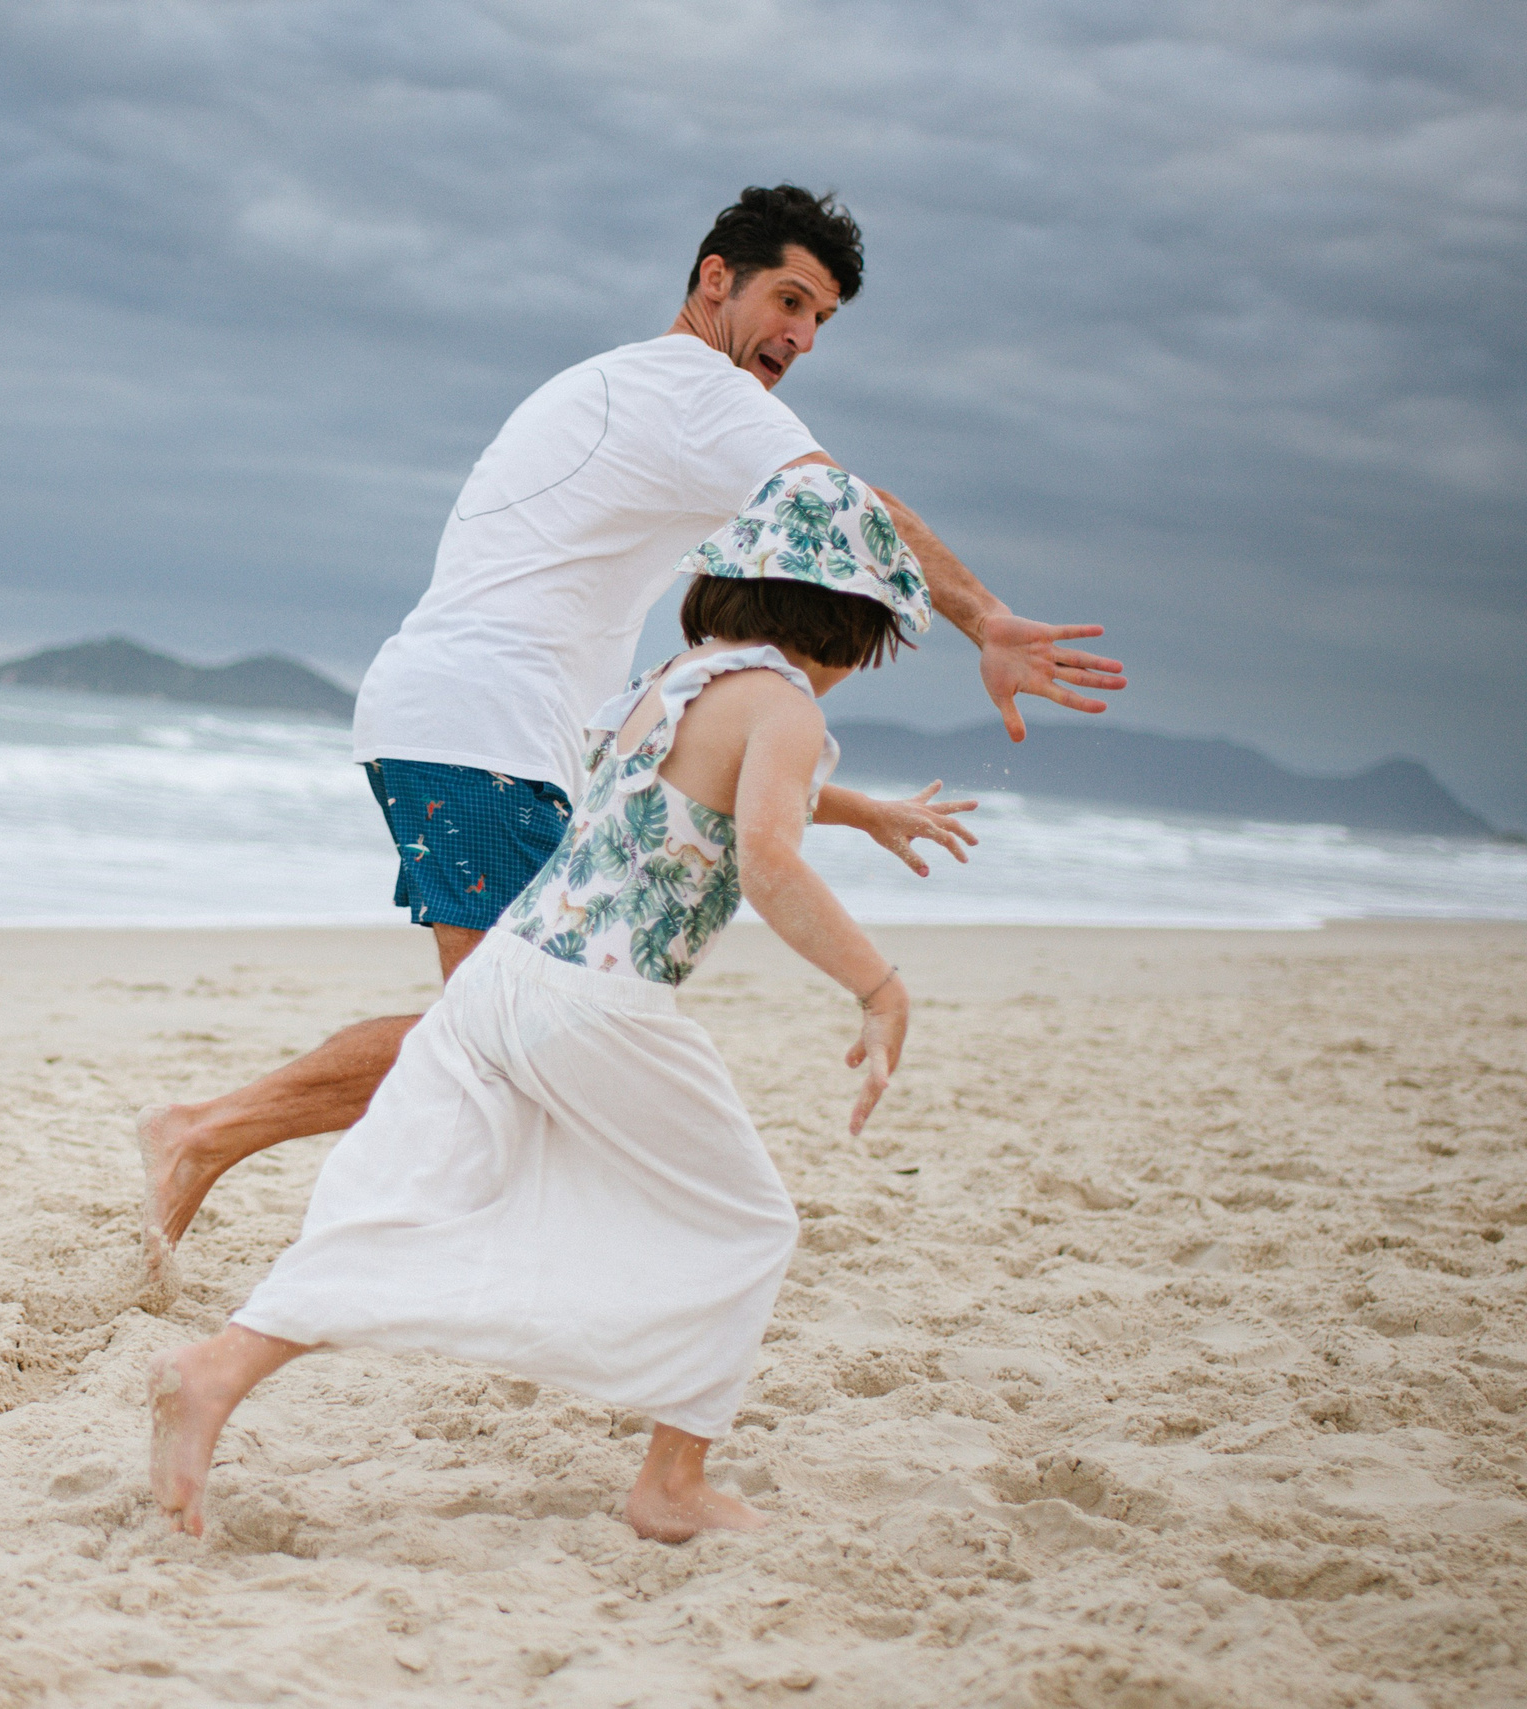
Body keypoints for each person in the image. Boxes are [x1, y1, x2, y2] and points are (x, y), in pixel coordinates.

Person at [138, 185, 1122, 1271]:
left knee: (514, 1030)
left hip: (490, 719)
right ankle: (203, 1133)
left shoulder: (638, 389)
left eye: (820, 320)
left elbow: (682, 741)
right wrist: (982, 615)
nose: (798, 335)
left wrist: (850, 805)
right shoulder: (699, 391)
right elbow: (856, 512)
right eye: (787, 299)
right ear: (715, 280)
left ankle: (226, 1143)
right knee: (509, 1033)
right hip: (481, 722)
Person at [149, 465, 925, 1541]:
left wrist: (862, 807)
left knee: (409, 1195)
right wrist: (877, 988)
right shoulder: (784, 702)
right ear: (844, 616)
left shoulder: (681, 678)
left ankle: (215, 1369)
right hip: (599, 1003)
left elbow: (713, 782)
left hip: (506, 980)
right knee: (749, 1221)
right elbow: (765, 852)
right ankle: (670, 1482)